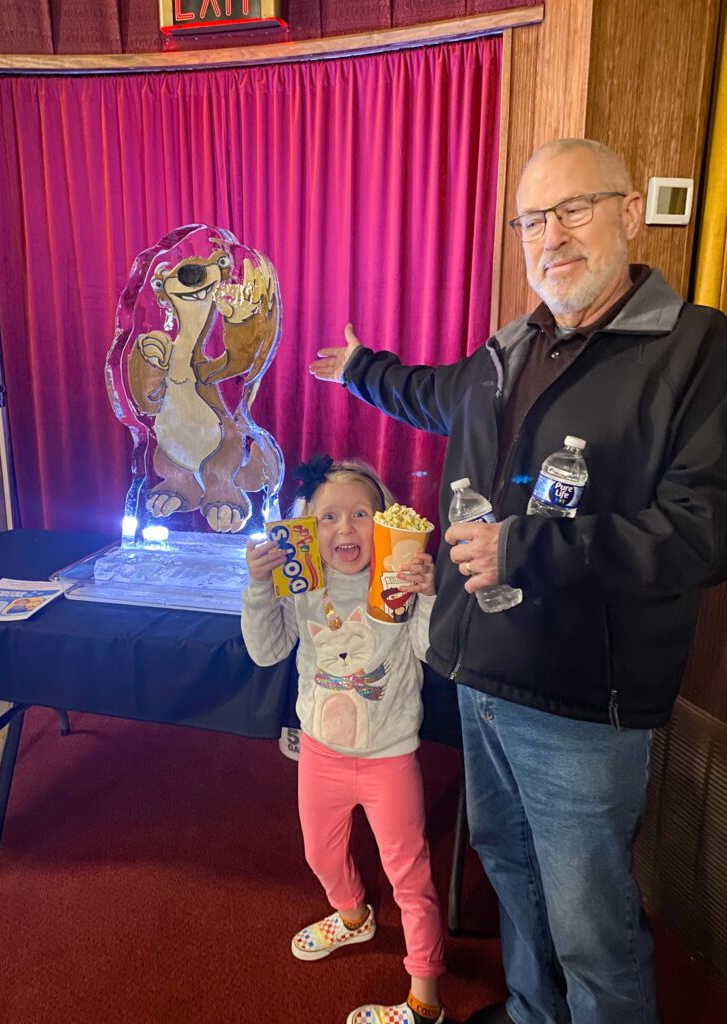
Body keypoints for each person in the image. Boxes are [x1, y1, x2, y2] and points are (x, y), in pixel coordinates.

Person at [308, 138, 727, 1024]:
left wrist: (525, 549)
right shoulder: (509, 347)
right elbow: (433, 395)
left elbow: (703, 534)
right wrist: (361, 371)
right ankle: (534, 1014)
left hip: (582, 702)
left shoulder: (697, 349)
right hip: (479, 676)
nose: (552, 236)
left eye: (574, 209)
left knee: (590, 922)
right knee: (508, 872)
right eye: (533, 220)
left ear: (628, 211)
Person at [241, 455, 446, 1024]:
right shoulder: (303, 583)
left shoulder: (396, 583)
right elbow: (267, 651)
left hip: (390, 757)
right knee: (320, 853)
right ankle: (353, 916)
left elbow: (434, 652)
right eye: (329, 517)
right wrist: (260, 587)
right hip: (321, 753)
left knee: (411, 875)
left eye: (360, 514)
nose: (345, 528)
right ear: (308, 527)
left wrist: (429, 593)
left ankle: (426, 999)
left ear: (383, 524)